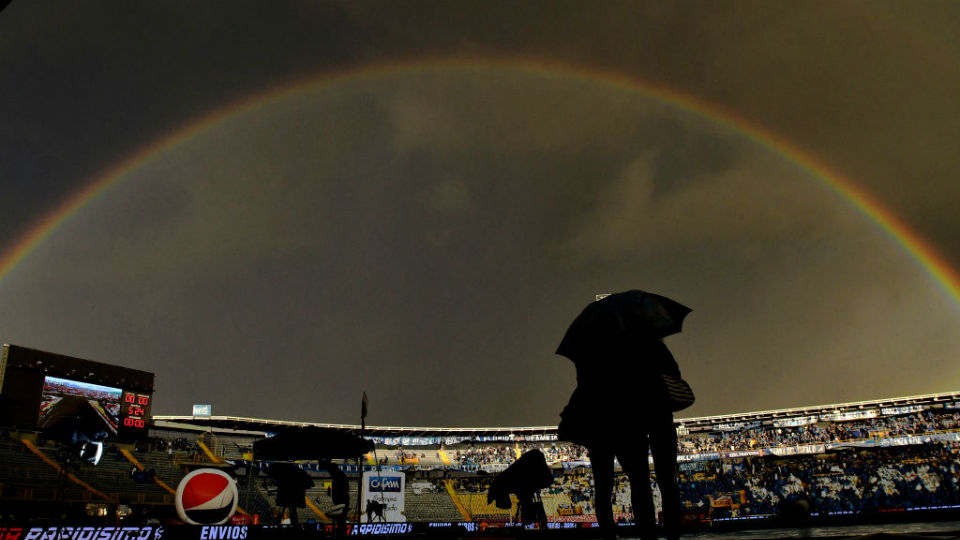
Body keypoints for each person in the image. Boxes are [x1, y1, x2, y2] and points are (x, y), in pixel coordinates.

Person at [559, 337, 682, 540]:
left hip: (600, 427)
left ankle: (612, 537)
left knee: (604, 487)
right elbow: (674, 376)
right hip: (632, 424)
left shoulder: (589, 350)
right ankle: (652, 535)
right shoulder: (648, 344)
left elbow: (583, 388)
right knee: (645, 482)